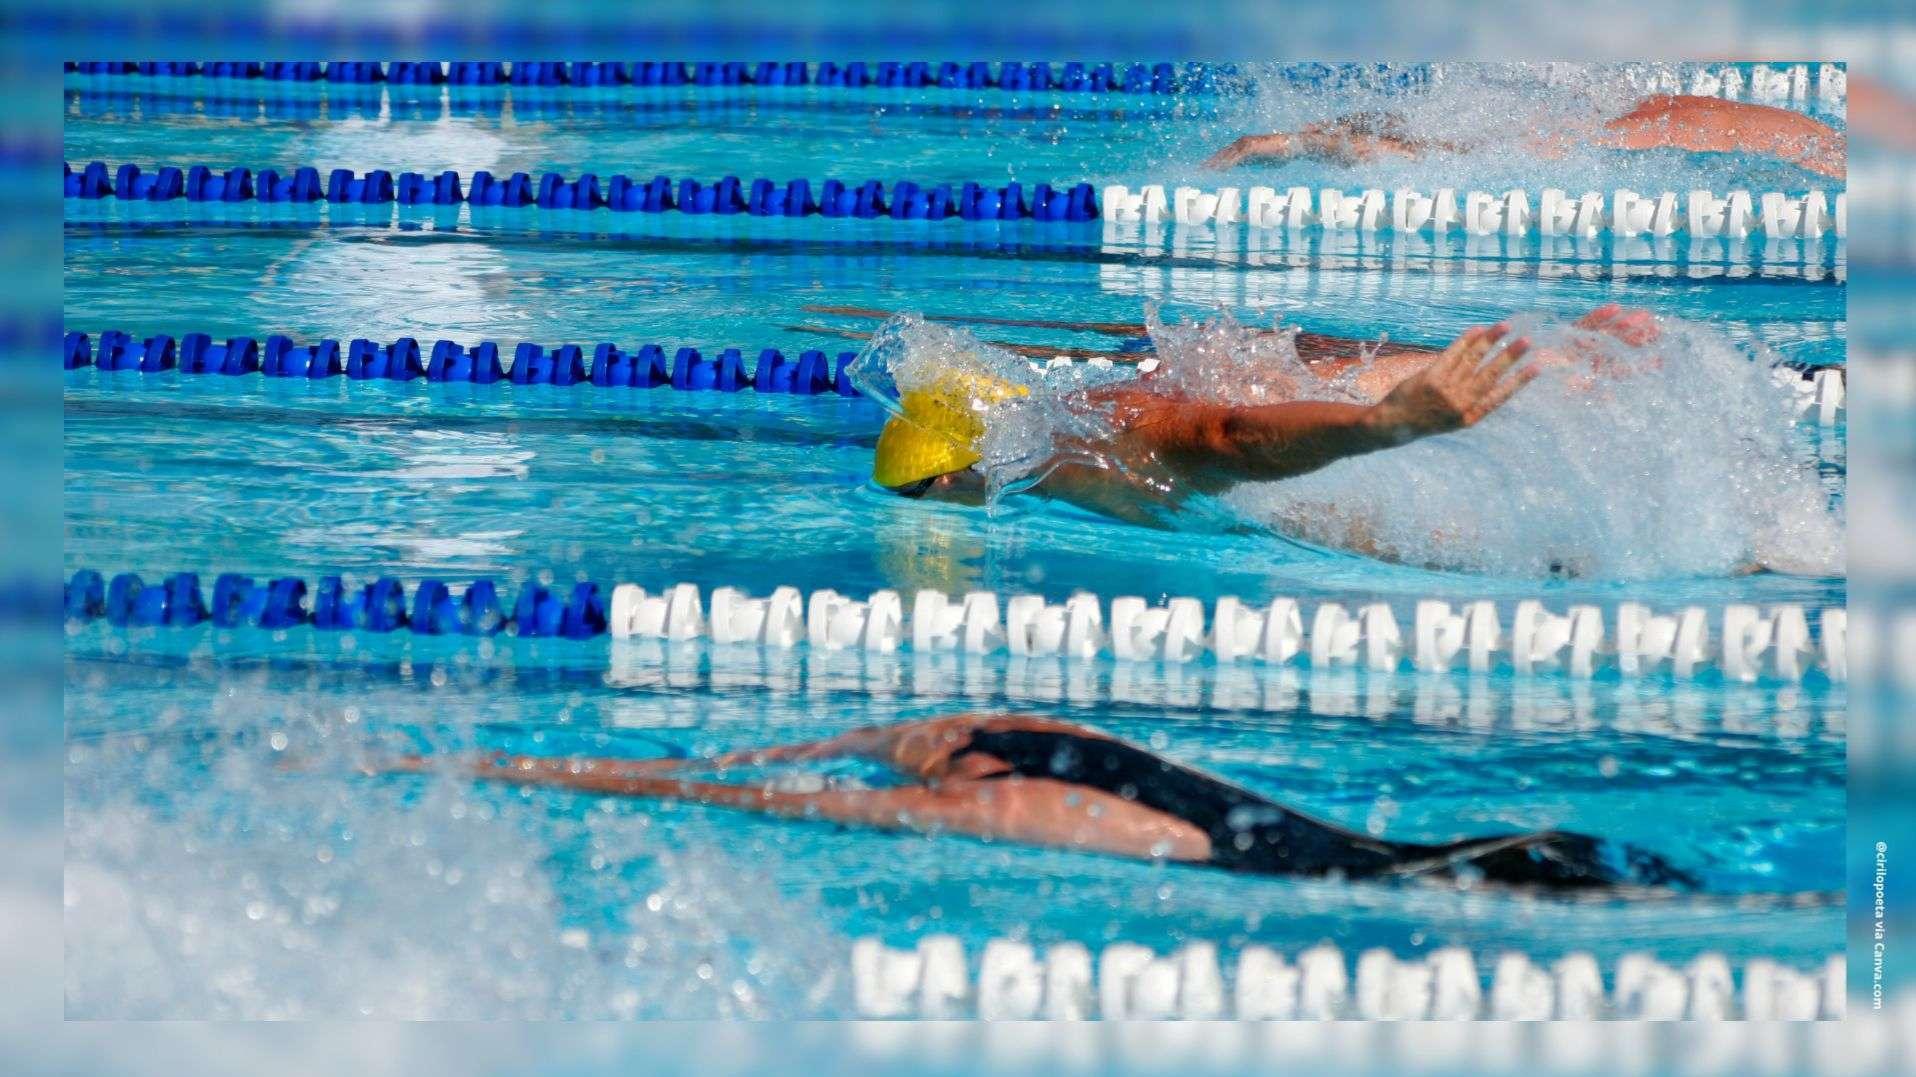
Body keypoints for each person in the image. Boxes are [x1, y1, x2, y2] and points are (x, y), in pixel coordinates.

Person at [371, 712, 1696, 892]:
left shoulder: (1014, 766)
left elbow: (772, 782)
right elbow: (786, 777)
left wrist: (498, 765)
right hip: (1491, 850)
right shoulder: (1029, 753)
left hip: (1458, 884)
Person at [866, 304, 1658, 537]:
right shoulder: (1050, 433)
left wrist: (1387, 425)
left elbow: (1229, 437)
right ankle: (1557, 365)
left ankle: (1557, 371)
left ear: (945, 477)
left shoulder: (1084, 445)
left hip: (1343, 458)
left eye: (920, 499)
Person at [1204, 94, 1845, 179]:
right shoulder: (1827, 147)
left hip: (1655, 121)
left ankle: (1290, 142)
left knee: (1465, 151)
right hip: (1646, 130)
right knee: (1464, 155)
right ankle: (1290, 142)